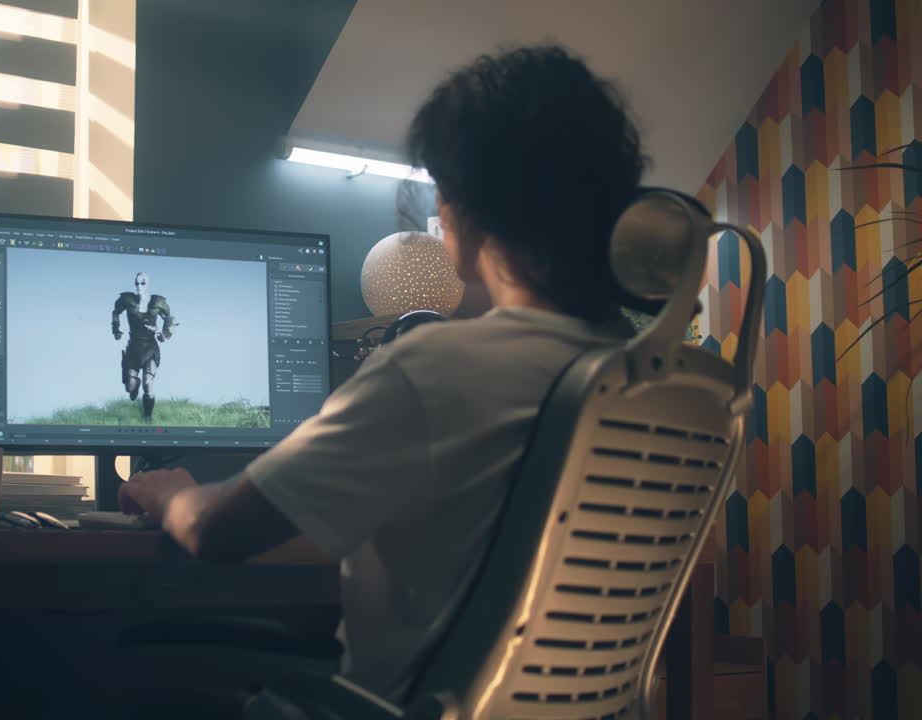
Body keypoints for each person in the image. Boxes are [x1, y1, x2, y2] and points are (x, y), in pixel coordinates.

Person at [118, 44, 647, 704]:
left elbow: (216, 531)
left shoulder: (437, 365)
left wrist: (171, 495)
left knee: (137, 666)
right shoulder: (647, 387)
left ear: (462, 212)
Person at [111, 271, 177, 420]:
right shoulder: (127, 300)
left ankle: (147, 418)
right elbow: (116, 312)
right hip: (133, 348)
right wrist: (115, 328)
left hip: (150, 348)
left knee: (148, 384)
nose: (139, 286)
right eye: (137, 283)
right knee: (130, 388)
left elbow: (170, 320)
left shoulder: (158, 302)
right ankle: (132, 385)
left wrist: (165, 334)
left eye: (142, 283)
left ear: (148, 284)